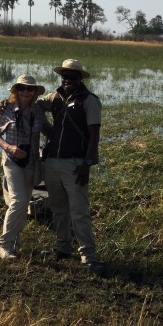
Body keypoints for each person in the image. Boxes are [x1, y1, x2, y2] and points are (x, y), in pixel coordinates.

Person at [37, 59, 105, 275]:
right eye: (64, 76)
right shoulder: (55, 97)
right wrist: (46, 128)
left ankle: (88, 256)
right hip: (52, 162)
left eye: (72, 77)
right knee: (58, 209)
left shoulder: (89, 100)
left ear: (80, 79)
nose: (67, 80)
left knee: (79, 211)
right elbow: (35, 104)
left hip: (75, 164)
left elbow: (94, 134)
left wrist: (87, 163)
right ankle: (63, 247)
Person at [0, 74, 46, 260]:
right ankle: (4, 245)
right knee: (19, 200)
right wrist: (9, 147)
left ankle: (15, 239)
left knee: (23, 206)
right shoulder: (7, 109)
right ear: (16, 90)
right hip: (11, 161)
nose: (25, 91)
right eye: (21, 88)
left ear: (34, 92)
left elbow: (49, 130)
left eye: (30, 89)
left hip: (31, 162)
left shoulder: (38, 111)